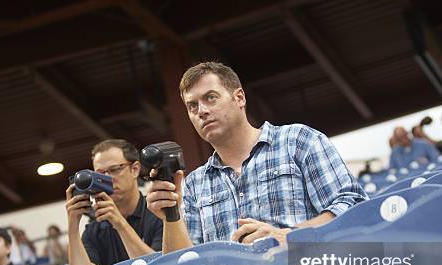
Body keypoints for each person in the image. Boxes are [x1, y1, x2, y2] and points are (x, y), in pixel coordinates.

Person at [146, 61, 367, 253]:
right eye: (192, 106)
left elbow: (354, 207)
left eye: (210, 98)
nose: (201, 110)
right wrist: (170, 216)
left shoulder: (298, 139)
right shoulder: (194, 184)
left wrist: (289, 237)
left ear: (239, 98)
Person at [65, 139, 163, 265]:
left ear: (135, 169)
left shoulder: (159, 210)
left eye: (114, 170)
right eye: (100, 173)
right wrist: (73, 228)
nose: (107, 179)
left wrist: (119, 223)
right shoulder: (95, 229)